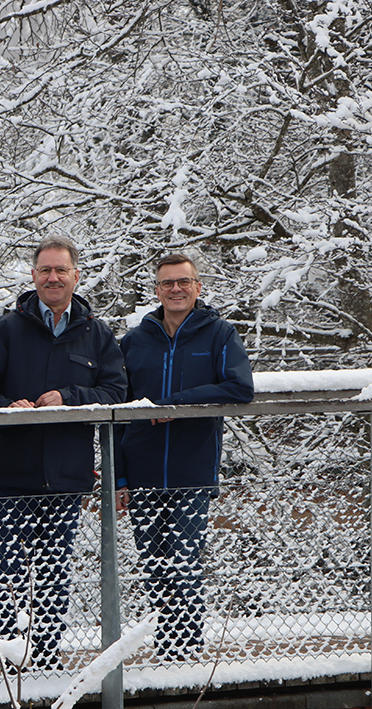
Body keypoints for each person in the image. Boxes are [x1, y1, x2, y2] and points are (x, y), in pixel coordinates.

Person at [0, 237, 127, 669]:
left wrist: (70, 396)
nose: (53, 278)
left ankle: (46, 658)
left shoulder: (96, 333)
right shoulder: (7, 329)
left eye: (61, 270)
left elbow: (116, 391)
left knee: (54, 570)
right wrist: (6, 407)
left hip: (67, 473)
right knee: (11, 568)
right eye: (45, 270)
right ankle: (12, 661)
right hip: (14, 469)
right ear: (33, 276)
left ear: (75, 276)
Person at [117, 251, 254, 660]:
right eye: (167, 283)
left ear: (197, 286)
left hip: (192, 471)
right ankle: (166, 646)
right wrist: (119, 477)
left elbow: (240, 388)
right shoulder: (134, 341)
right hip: (141, 471)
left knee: (185, 561)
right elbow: (116, 411)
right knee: (153, 565)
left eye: (183, 282)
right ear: (157, 290)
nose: (175, 289)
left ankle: (187, 651)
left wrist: (176, 404)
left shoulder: (219, 334)